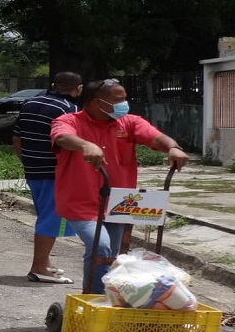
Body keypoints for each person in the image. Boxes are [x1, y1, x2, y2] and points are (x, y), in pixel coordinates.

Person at [51, 78, 189, 293]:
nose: (124, 103)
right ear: (97, 103)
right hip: (81, 202)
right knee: (101, 247)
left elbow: (155, 137)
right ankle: (95, 297)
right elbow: (62, 137)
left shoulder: (129, 122)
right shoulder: (69, 121)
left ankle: (108, 294)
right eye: (119, 100)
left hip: (119, 202)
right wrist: (86, 145)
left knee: (111, 253)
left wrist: (173, 147)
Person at [12, 72, 82, 284]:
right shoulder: (69, 109)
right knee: (52, 220)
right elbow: (70, 141)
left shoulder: (29, 103)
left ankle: (45, 262)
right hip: (56, 172)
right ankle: (39, 267)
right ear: (78, 89)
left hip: (33, 169)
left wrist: (27, 162)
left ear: (53, 85)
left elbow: (17, 137)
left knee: (44, 216)